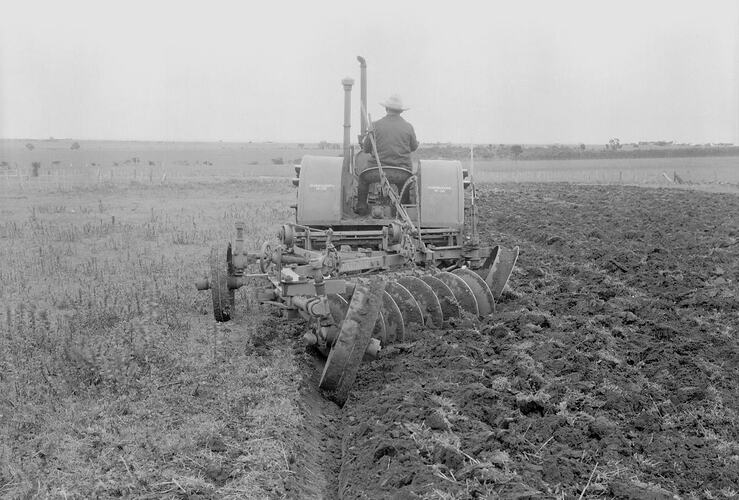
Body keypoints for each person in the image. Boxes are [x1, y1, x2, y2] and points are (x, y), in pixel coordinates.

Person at [357, 95, 418, 214]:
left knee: (363, 179)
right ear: (401, 111)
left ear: (386, 109)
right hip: (402, 171)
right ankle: (403, 208)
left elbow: (366, 149)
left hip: (376, 170)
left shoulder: (375, 125)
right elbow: (414, 147)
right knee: (404, 183)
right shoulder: (408, 127)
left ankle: (361, 207)